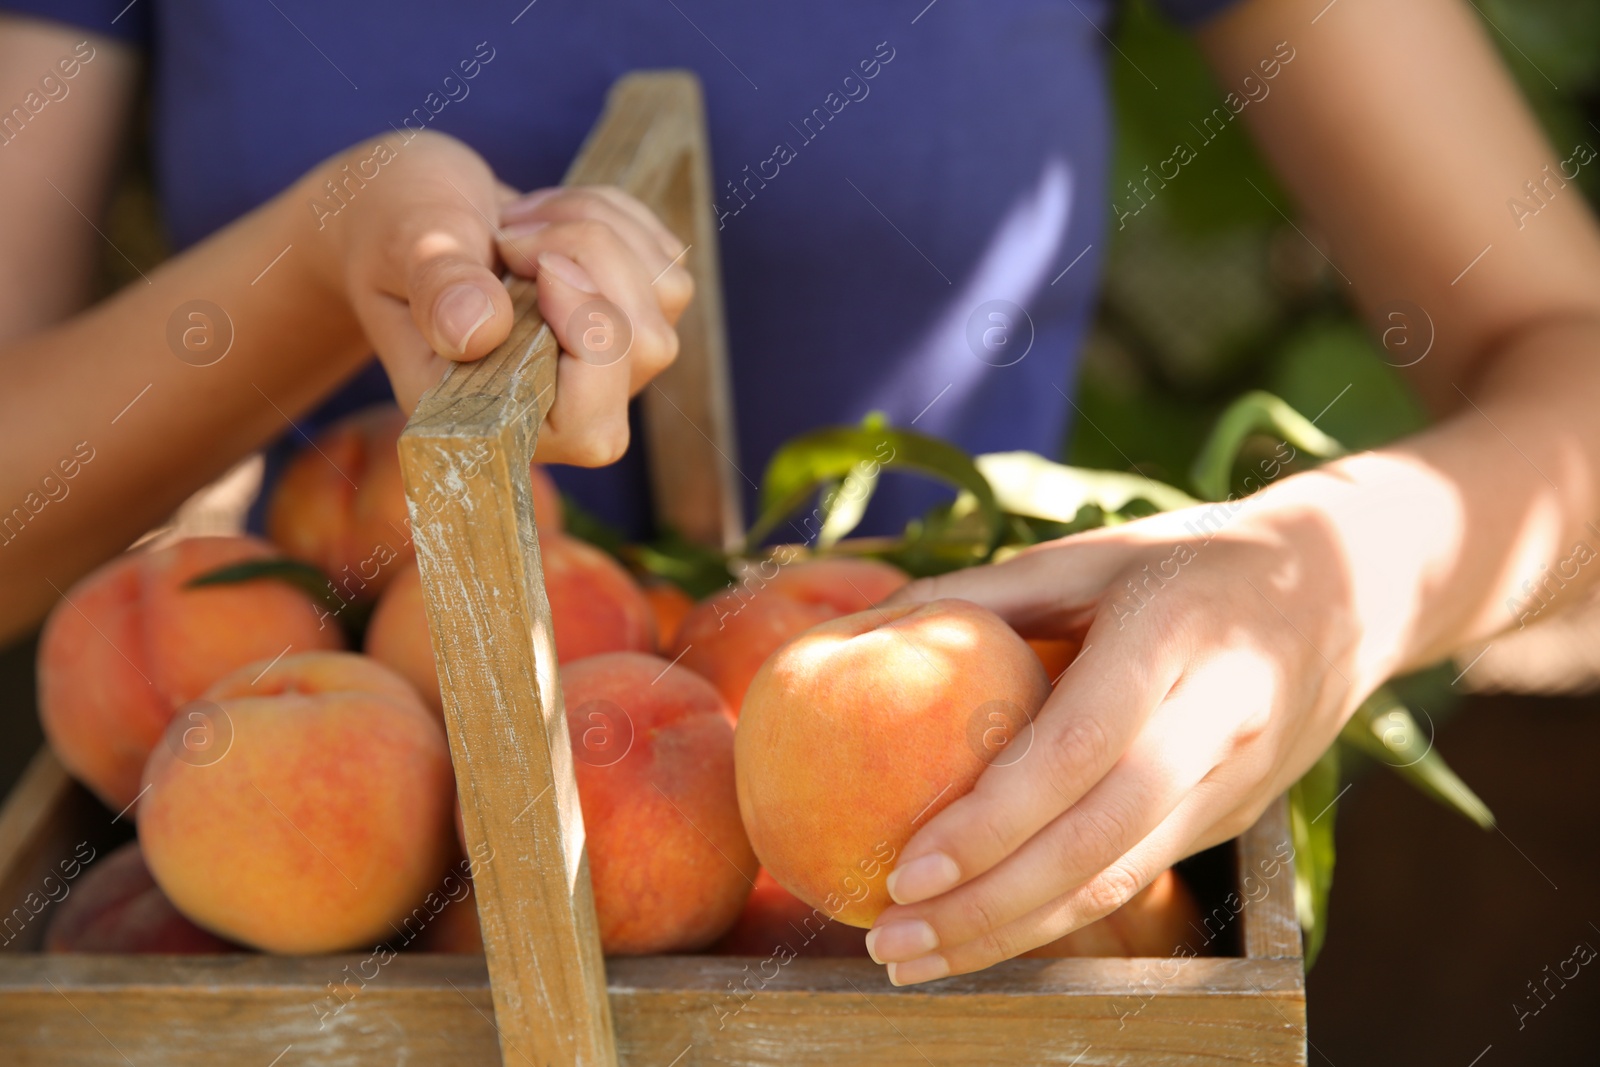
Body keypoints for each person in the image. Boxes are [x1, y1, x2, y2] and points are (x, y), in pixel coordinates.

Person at [3, 0, 1599, 988]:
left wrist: (1340, 567)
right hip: (342, 960)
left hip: (957, 875)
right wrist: (320, 254)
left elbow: (1566, 355)